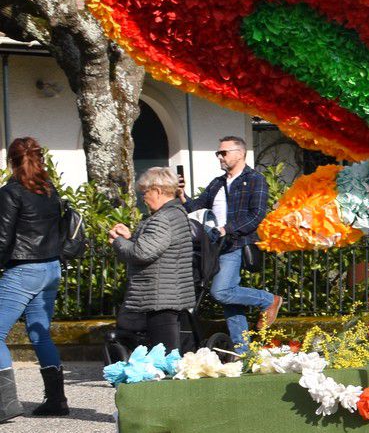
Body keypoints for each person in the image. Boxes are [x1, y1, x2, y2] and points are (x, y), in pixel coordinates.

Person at [179, 135, 280, 351]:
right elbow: (196, 207)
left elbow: (257, 215)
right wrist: (181, 196)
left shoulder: (255, 179)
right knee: (229, 300)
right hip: (215, 246)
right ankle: (243, 350)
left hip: (235, 243)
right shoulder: (217, 183)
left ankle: (268, 300)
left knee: (221, 292)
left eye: (223, 152)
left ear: (240, 153)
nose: (220, 157)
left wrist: (228, 228)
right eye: (218, 153)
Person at [0, 137, 70, 419]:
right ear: (40, 159)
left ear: (12, 161)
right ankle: (57, 401)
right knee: (40, 334)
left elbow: (3, 239)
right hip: (51, 268)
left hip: (24, 270)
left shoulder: (10, 193)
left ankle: (5, 405)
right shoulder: (49, 190)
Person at [109, 168, 196, 353]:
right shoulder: (176, 213)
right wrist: (129, 238)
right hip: (168, 293)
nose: (143, 198)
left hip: (159, 296)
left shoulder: (163, 218)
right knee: (168, 354)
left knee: (163, 356)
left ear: (157, 191)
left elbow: (142, 253)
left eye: (144, 192)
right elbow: (155, 248)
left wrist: (117, 242)